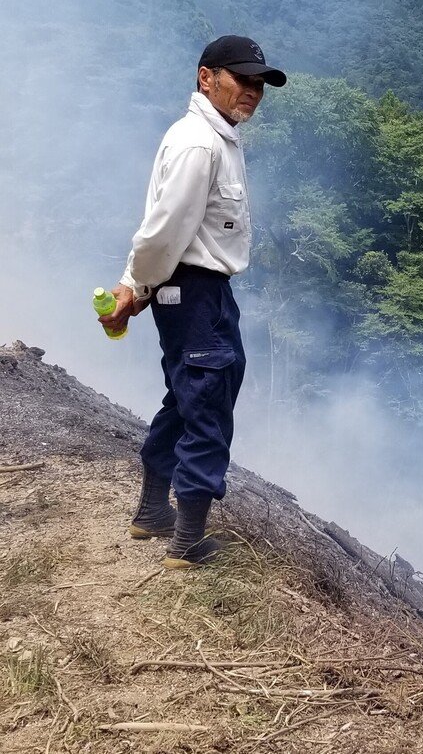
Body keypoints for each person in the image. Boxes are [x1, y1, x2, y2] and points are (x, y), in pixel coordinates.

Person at [100, 35, 286, 569]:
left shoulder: (217, 139)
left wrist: (142, 286)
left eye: (259, 83)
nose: (253, 90)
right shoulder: (199, 144)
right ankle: (186, 541)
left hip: (198, 291)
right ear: (207, 77)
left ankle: (153, 512)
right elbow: (162, 232)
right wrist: (136, 285)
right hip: (193, 290)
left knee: (189, 394)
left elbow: (167, 231)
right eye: (242, 79)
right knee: (207, 396)